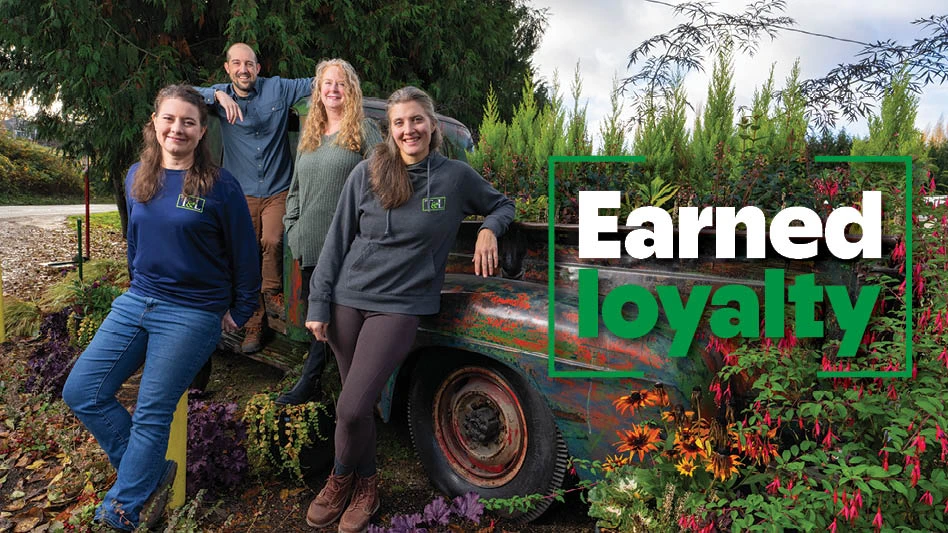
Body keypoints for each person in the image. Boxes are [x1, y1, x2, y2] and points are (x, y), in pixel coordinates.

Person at [303, 86, 515, 532]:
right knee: (355, 405)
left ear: (432, 125)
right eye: (399, 122)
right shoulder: (367, 173)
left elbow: (502, 204)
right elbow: (336, 243)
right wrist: (319, 301)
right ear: (390, 130)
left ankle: (339, 481)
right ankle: (367, 485)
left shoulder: (455, 177)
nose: (408, 129)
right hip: (346, 301)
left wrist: (489, 230)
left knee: (352, 408)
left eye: (416, 120)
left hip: (398, 307)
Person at [62, 85, 260, 531]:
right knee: (83, 392)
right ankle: (149, 474)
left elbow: (246, 255)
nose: (177, 128)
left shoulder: (219, 186)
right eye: (169, 119)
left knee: (153, 409)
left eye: (188, 121)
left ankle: (122, 511)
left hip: (193, 312)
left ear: (201, 130)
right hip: (138, 301)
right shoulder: (138, 175)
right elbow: (135, 241)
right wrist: (136, 286)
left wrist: (241, 310)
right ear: (155, 122)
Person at [195, 42, 312, 353]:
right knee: (244, 254)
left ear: (258, 68)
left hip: (277, 188)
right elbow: (177, 94)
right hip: (240, 192)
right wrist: (215, 94)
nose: (243, 69)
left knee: (273, 240)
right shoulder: (220, 95)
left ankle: (272, 294)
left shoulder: (278, 88)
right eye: (237, 63)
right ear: (228, 68)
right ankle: (254, 322)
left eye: (249, 64)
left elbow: (321, 80)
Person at [278, 58, 382, 405]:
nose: (333, 89)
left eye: (340, 84)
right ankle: (322, 387)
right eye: (327, 84)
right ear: (319, 92)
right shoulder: (310, 136)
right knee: (317, 323)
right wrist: (293, 230)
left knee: (342, 325)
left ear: (350, 90)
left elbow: (384, 188)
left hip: (348, 249)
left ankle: (343, 393)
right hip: (308, 245)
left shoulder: (364, 131)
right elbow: (295, 191)